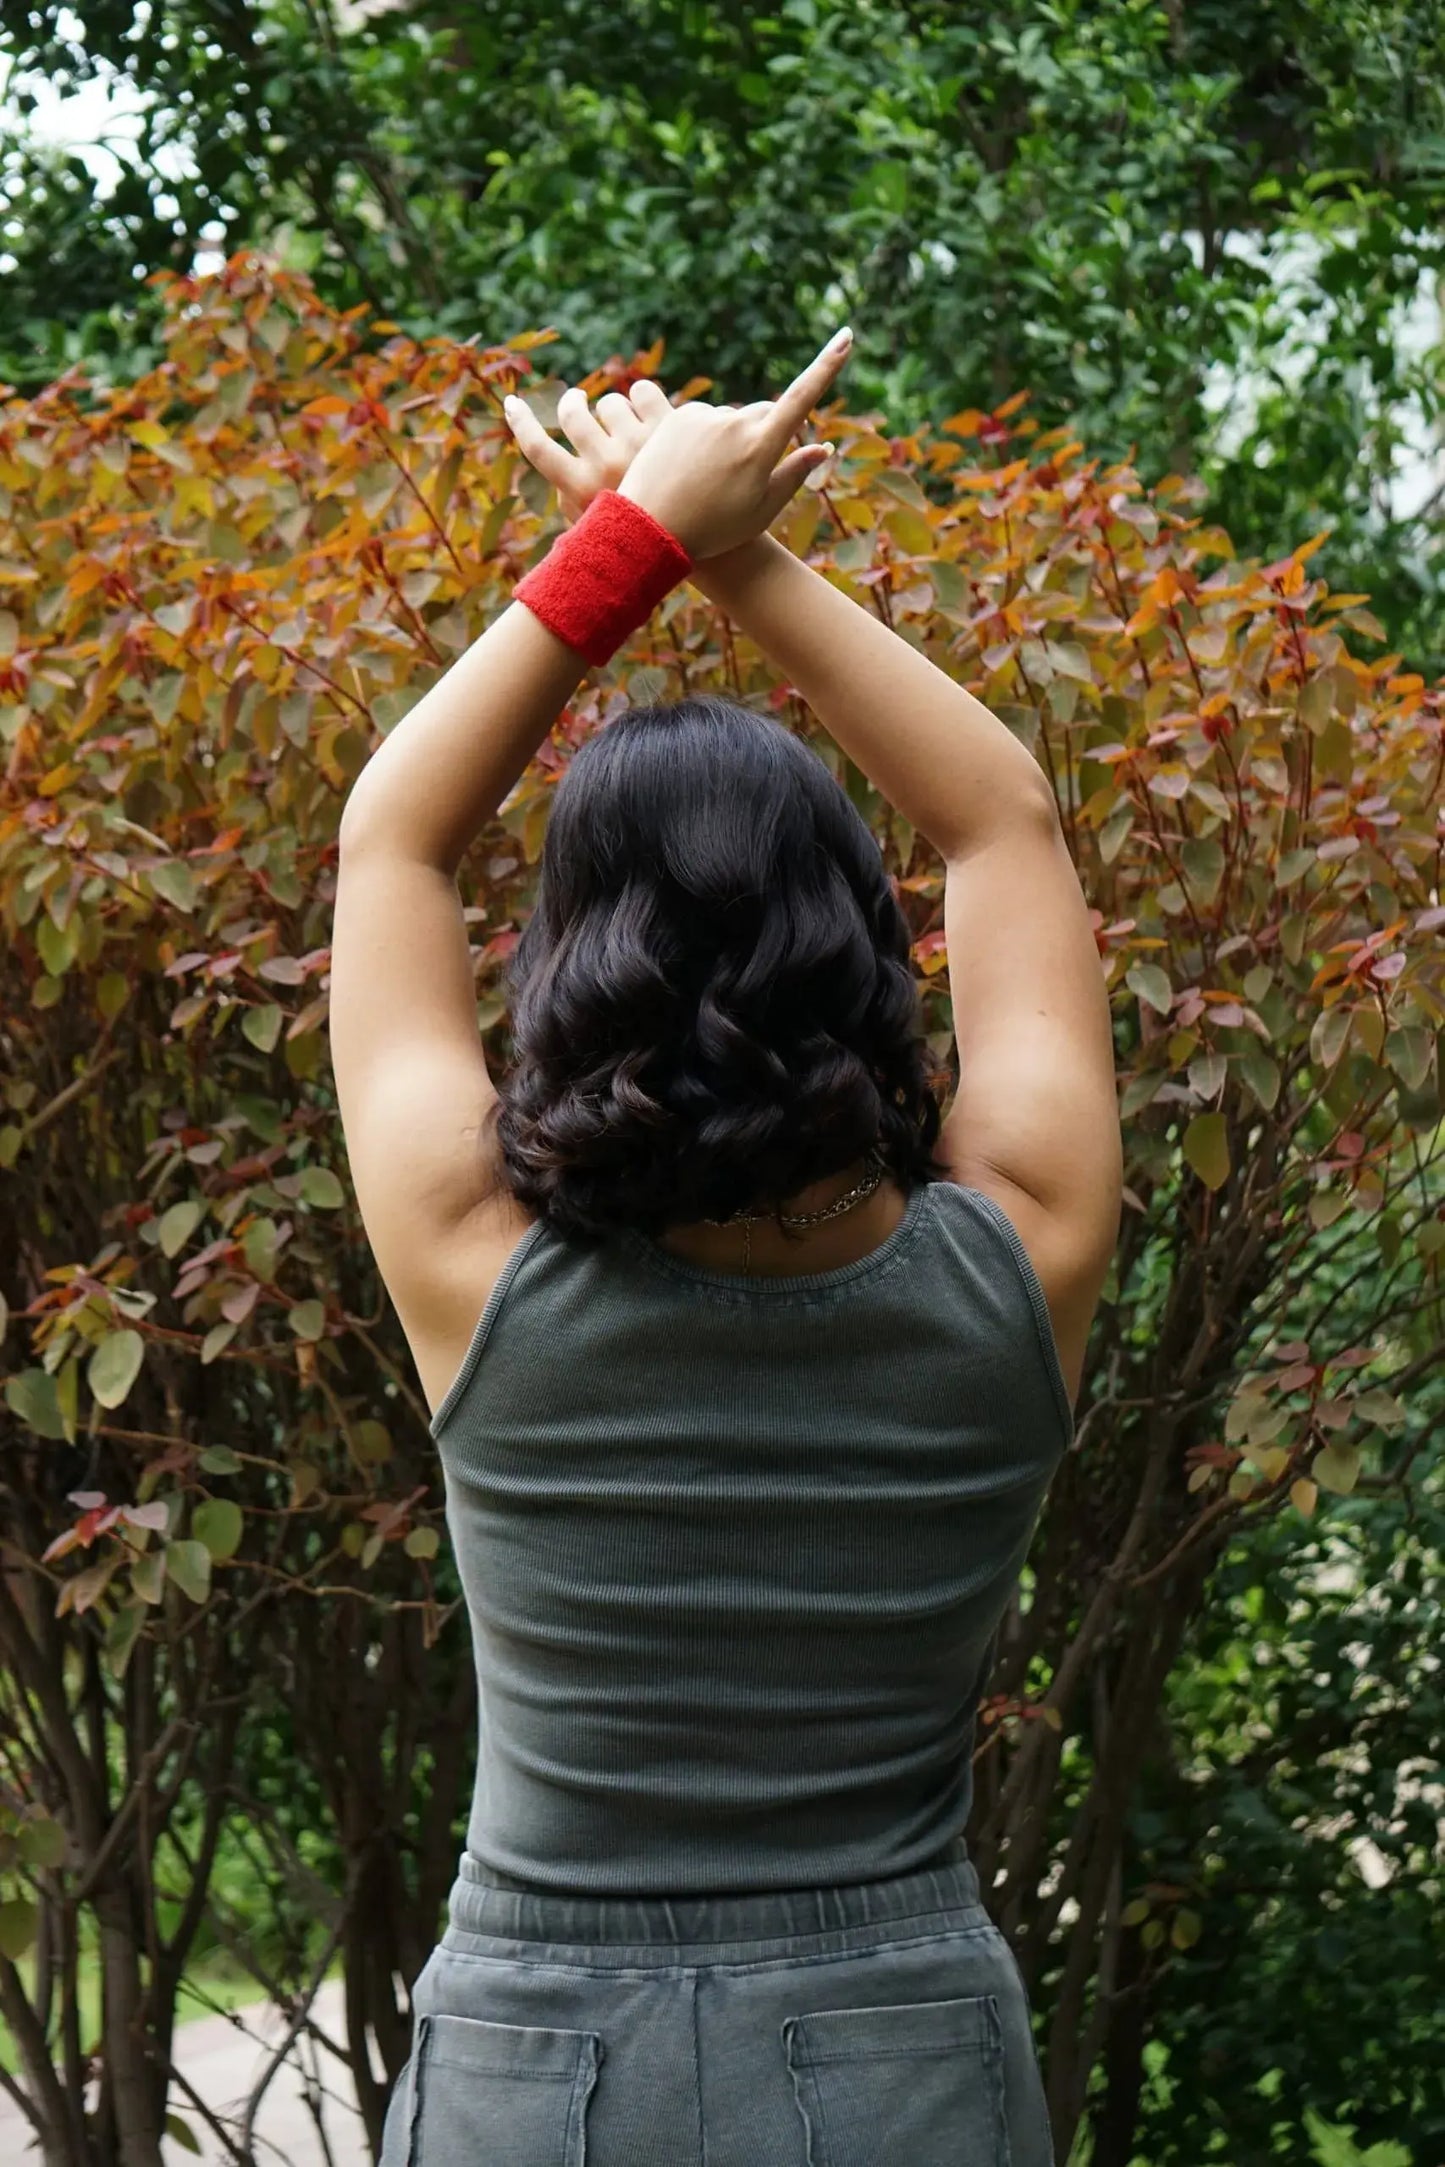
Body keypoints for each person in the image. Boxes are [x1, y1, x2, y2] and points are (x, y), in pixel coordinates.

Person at [331, 328, 1121, 2167]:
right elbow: (999, 817)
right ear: (862, 944)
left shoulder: (475, 1263)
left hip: (533, 2064)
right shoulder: (1017, 1252)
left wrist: (645, 537)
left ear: (567, 967)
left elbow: (392, 842)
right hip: (900, 2053)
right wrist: (727, 545)